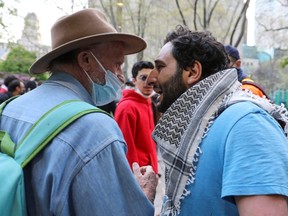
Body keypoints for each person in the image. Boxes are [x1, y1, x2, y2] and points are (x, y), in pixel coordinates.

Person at [0, 8, 158, 215]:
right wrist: (143, 195)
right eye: (117, 64)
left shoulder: (9, 108)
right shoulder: (95, 130)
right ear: (86, 60)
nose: (121, 76)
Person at [148, 25, 288, 215]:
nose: (151, 78)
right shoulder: (197, 129)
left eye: (160, 67)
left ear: (192, 72)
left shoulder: (247, 124)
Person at [114, 60, 158, 174]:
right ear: (134, 80)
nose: (148, 83)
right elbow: (125, 150)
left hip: (150, 171)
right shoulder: (127, 108)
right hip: (138, 177)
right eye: (143, 78)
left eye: (152, 79)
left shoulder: (148, 102)